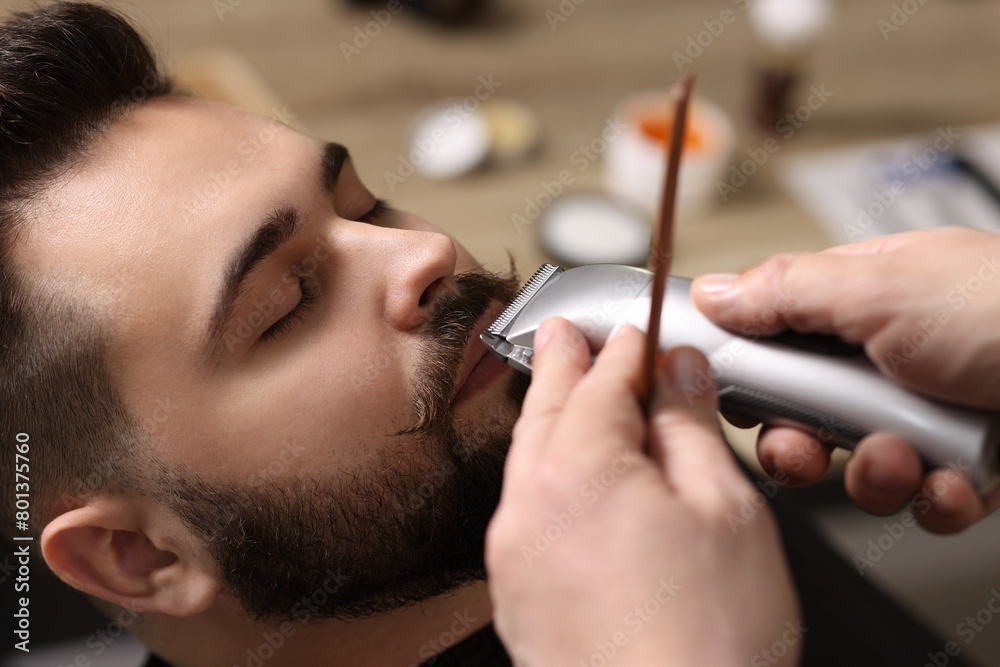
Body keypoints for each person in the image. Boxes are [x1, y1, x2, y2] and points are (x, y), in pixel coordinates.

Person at [0, 3, 990, 666]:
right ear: (139, 556)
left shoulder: (570, 437)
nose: (422, 250)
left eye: (365, 203)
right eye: (288, 303)